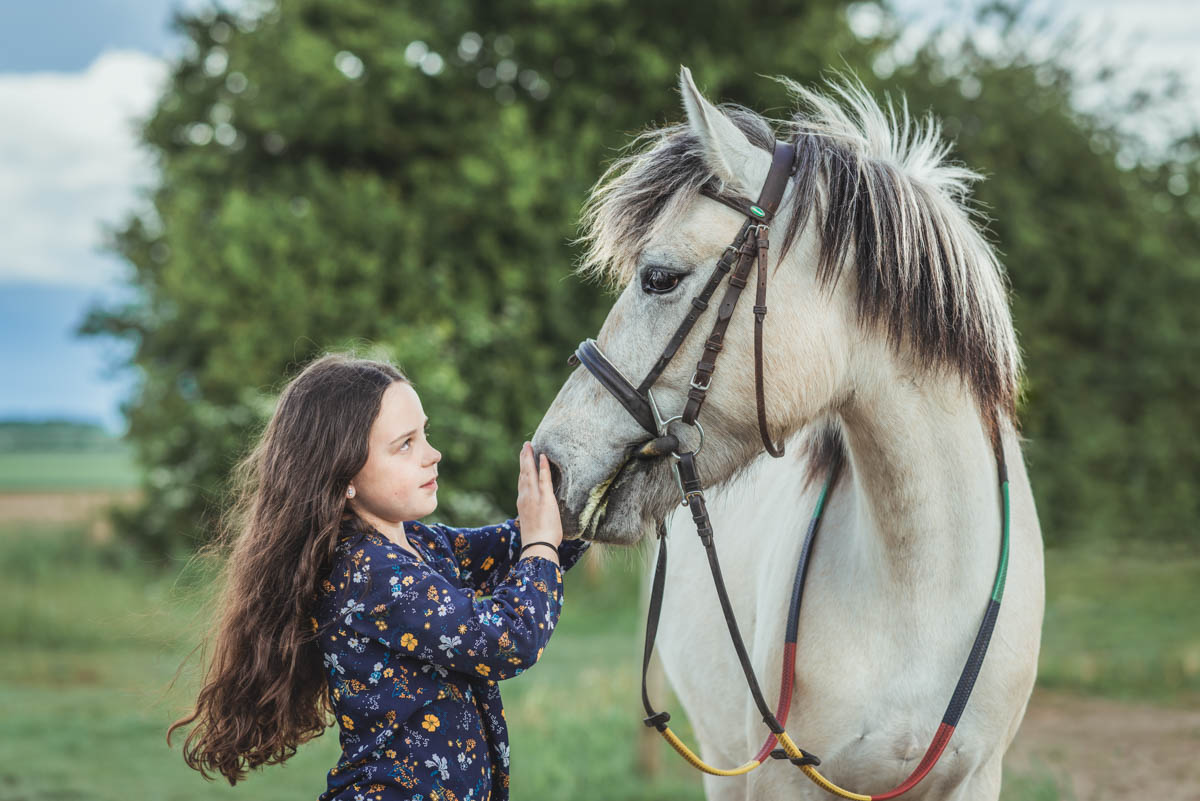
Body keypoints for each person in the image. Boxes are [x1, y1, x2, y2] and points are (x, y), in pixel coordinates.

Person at [167, 353, 590, 801]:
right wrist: (541, 544)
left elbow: (517, 545)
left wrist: (593, 494)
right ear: (344, 471)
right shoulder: (369, 575)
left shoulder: (420, 545)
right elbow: (509, 639)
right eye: (405, 444)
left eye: (425, 434)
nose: (433, 454)